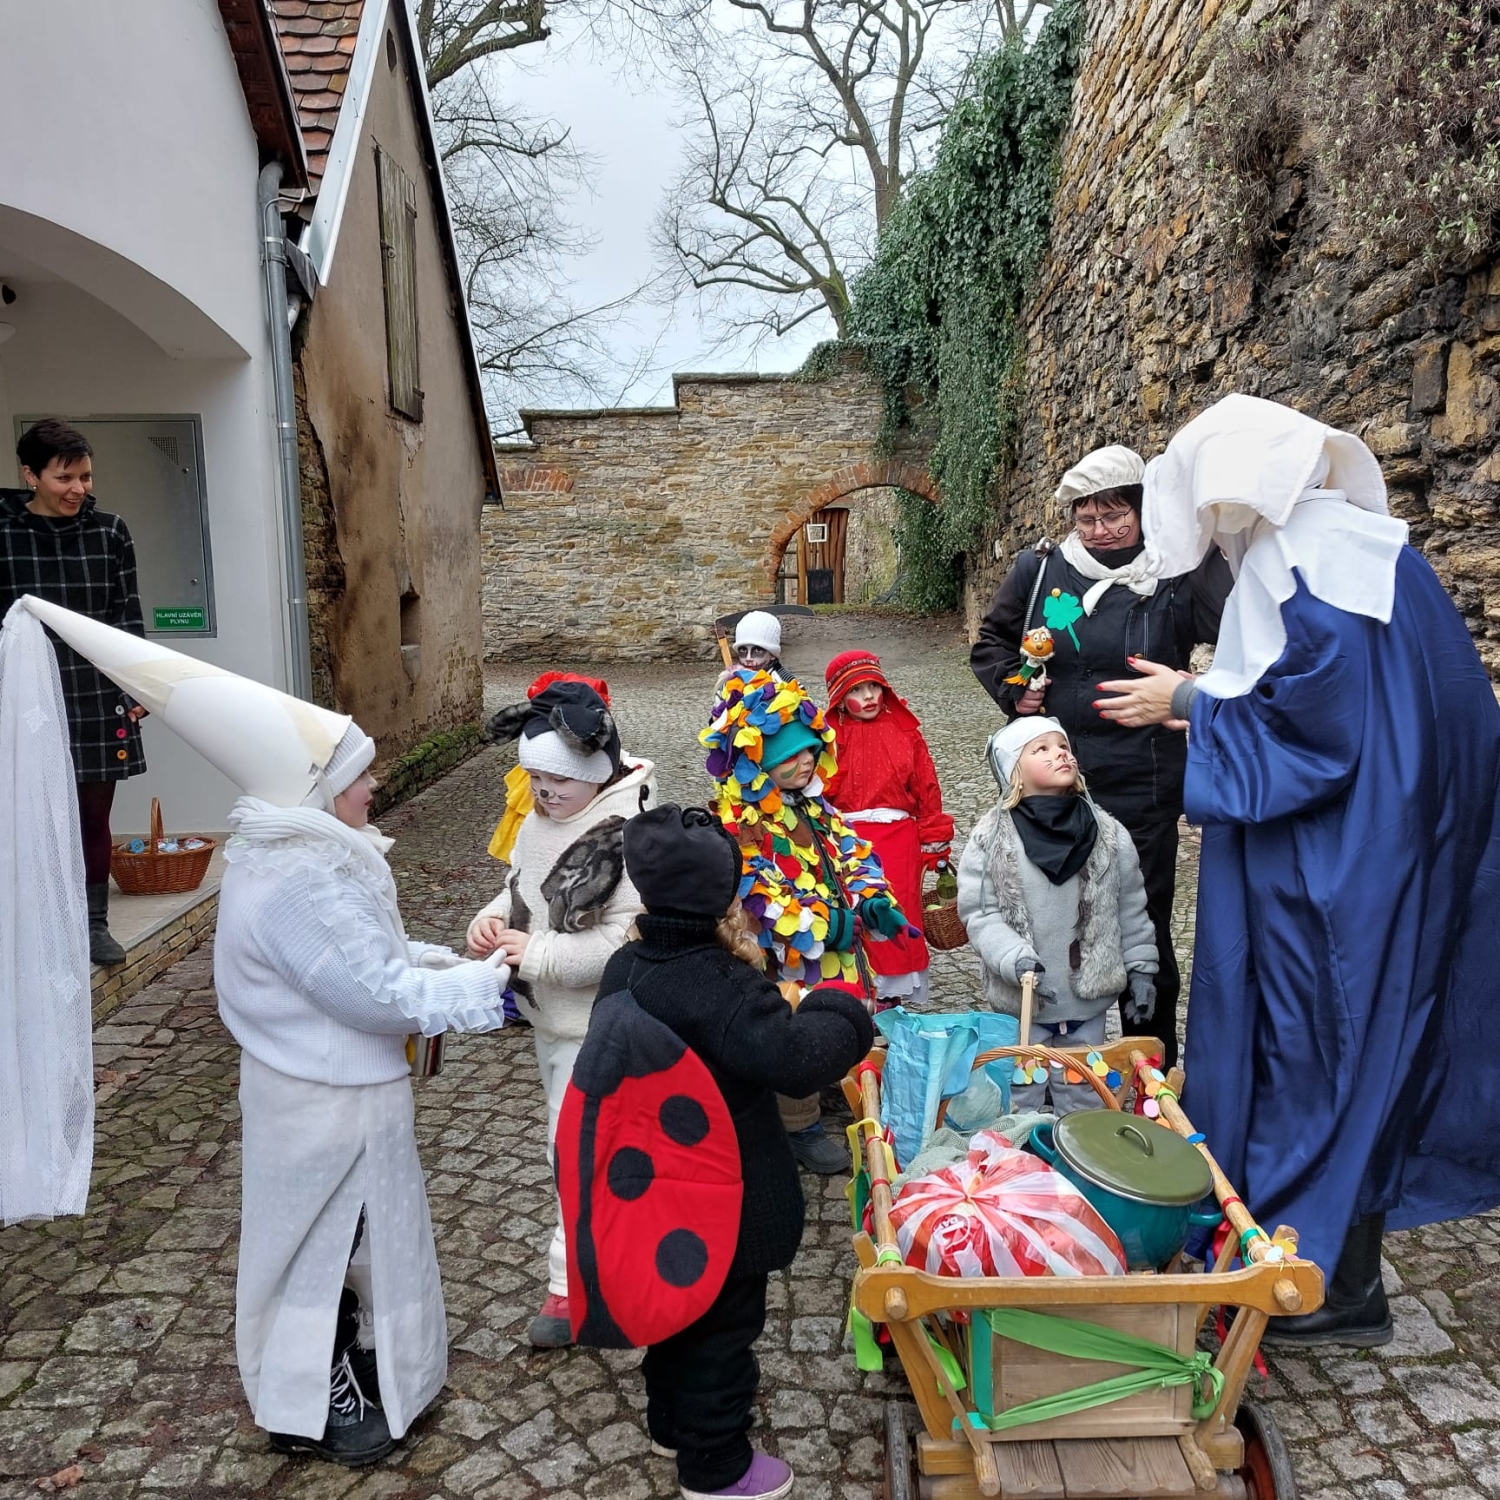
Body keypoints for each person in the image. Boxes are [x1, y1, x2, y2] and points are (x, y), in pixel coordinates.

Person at [12, 596, 512, 1464]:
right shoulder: (298, 877)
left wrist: (440, 961)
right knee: (320, 1242)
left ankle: (355, 1358)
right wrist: (490, 984)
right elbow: (370, 992)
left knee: (352, 1235)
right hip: (321, 1099)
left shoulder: (305, 854)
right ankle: (306, 1400)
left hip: (336, 1091)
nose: (374, 785)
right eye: (359, 775)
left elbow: (364, 957)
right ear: (317, 788)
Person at [1095, 393, 1500, 1346]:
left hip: (1328, 872)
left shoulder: (1301, 558)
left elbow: (1317, 730)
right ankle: (1341, 1278)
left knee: (1310, 1056)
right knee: (1369, 1056)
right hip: (1396, 853)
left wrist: (1187, 700)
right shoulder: (1381, 552)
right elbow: (1415, 712)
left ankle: (1311, 1281)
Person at [596, 803, 874, 1500]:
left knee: (675, 1312)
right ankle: (715, 1465)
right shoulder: (717, 985)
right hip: (723, 1196)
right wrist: (840, 1007)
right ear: (725, 895)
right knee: (723, 1332)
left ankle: (672, 1422)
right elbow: (797, 1061)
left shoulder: (626, 965)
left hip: (659, 1186)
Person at [969, 444, 1230, 1066]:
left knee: (1145, 927)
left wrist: (1204, 549)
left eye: (1116, 516)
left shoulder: (1173, 571)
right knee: (1049, 918)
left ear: (1143, 510)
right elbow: (993, 642)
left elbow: (1233, 623)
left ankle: (1150, 1064)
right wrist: (1016, 690)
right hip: (1056, 776)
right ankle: (1050, 1057)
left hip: (1144, 777)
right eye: (1087, 518)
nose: (1101, 530)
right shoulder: (1042, 570)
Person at [467, 678, 656, 1347]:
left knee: (575, 1151)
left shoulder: (624, 837)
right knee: (585, 1149)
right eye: (536, 780)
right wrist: (492, 920)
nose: (544, 794)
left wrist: (539, 953)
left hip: (599, 1028)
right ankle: (603, 1266)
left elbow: (624, 940)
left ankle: (571, 1285)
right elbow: (517, 888)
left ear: (596, 771)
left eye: (558, 782)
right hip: (550, 1022)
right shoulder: (539, 821)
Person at [701, 671, 905, 1173]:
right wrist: (822, 926)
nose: (806, 761)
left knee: (838, 1014)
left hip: (838, 950)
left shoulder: (813, 803)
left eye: (809, 750)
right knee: (795, 1031)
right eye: (789, 757)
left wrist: (872, 900)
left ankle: (832, 1080)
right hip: (786, 960)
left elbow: (851, 852)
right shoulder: (743, 823)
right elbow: (759, 891)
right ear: (756, 766)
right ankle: (799, 1125)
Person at [0, 419, 147, 964]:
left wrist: (138, 685)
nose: (78, 489)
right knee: (30, 815)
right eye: (64, 478)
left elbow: (127, 616)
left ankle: (92, 925)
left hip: (95, 692)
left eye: (85, 477)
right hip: (22, 695)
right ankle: (40, 925)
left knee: (92, 816)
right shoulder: (4, 534)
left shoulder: (110, 532)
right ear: (30, 475)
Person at [958, 718, 1157, 1114]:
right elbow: (980, 913)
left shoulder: (1108, 834)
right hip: (1024, 1001)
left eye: (1062, 746)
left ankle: (1076, 1147)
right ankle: (1021, 1150)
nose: (1060, 754)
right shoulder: (992, 839)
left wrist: (1140, 969)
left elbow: (1130, 906)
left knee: (1083, 1092)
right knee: (1019, 1096)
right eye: (1042, 749)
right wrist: (1013, 958)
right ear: (1014, 771)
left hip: (1085, 1003)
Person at [822, 649, 954, 1009]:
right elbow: (818, 790)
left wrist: (934, 840)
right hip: (848, 841)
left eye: (874, 687)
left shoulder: (905, 732)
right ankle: (858, 987)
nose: (868, 697)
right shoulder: (828, 738)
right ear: (839, 698)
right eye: (856, 690)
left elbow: (926, 785)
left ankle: (893, 995)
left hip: (899, 839)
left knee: (899, 909)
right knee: (855, 910)